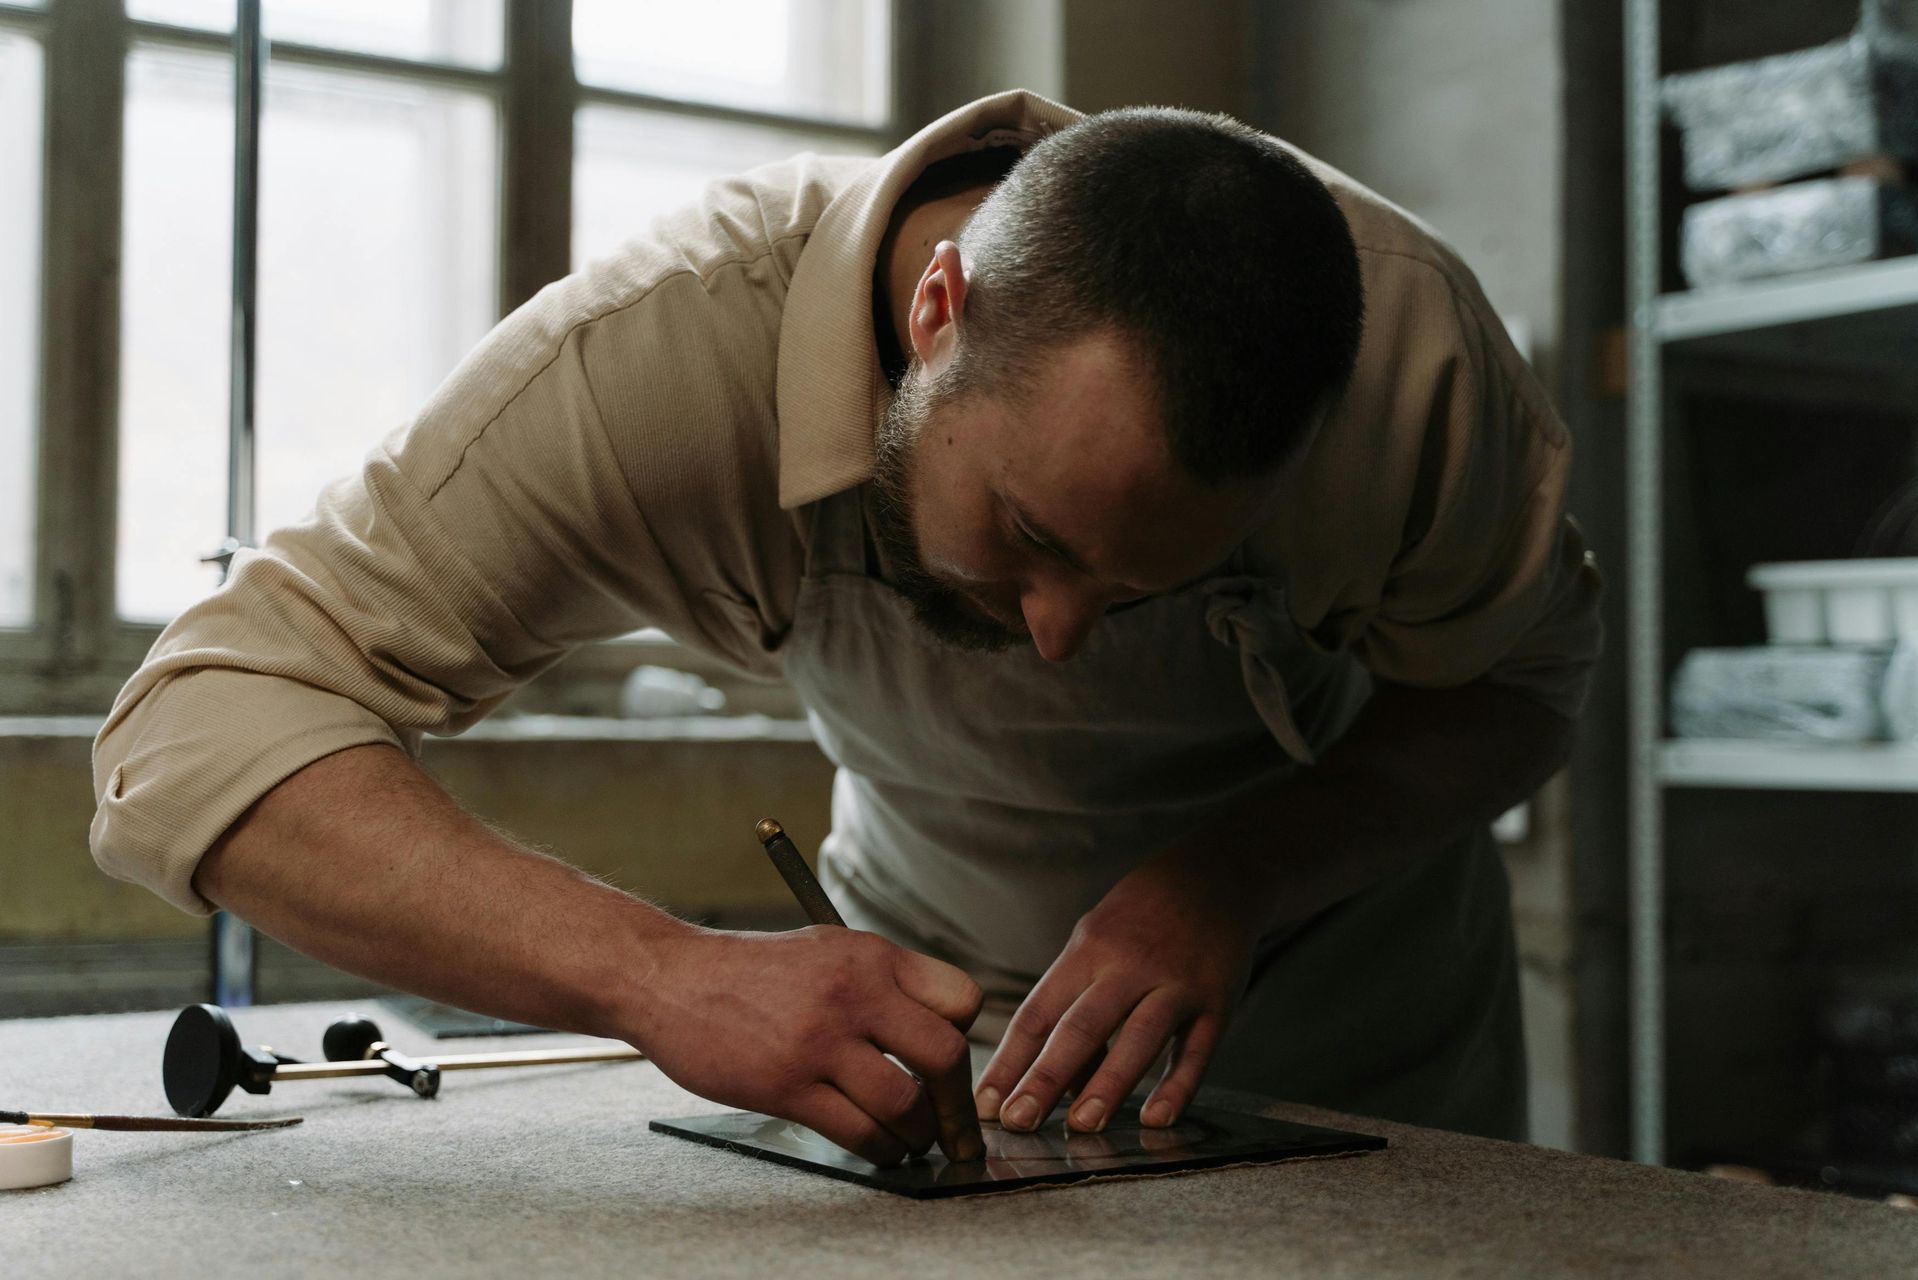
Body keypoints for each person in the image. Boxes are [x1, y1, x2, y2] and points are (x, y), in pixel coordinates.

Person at [91, 90, 1601, 1168]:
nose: (1063, 636)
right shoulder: (673, 350)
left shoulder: (1409, 365)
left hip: (1360, 1060)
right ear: (939, 309)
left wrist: (1237, 877)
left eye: (1146, 586)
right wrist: (659, 973)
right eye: (1032, 540)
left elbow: (1526, 687)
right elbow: (194, 721)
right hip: (935, 1058)